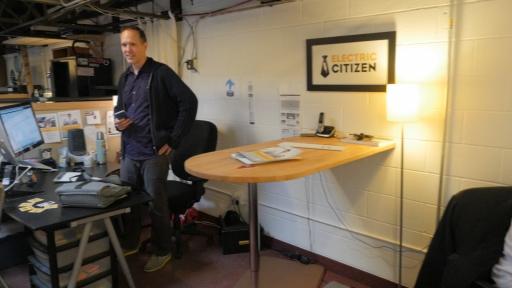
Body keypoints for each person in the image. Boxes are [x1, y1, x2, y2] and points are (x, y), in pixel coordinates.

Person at [114, 26, 198, 272]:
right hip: (130, 151)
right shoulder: (125, 77)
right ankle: (130, 242)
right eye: (123, 45)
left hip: (154, 152)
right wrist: (119, 122)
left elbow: (189, 102)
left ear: (144, 45)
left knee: (156, 205)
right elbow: (120, 107)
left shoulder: (160, 73)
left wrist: (173, 140)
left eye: (132, 44)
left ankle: (163, 250)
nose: (128, 49)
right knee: (128, 201)